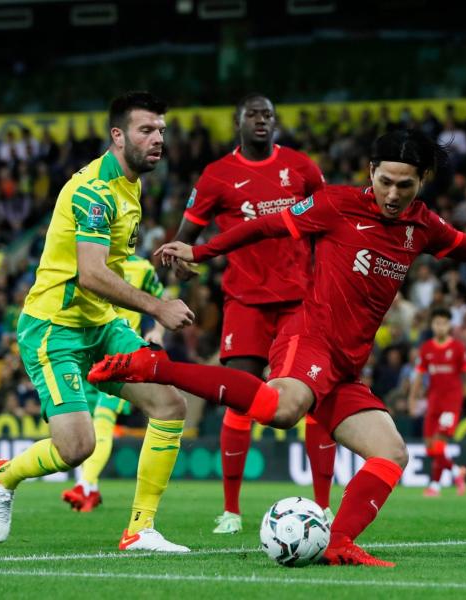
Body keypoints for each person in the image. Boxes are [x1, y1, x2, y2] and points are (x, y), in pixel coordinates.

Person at [88, 128, 466, 566]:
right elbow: (265, 225)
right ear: (371, 171)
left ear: (422, 182)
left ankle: (338, 542)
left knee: (391, 452)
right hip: (310, 338)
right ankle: (159, 366)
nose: (392, 193)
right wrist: (200, 249)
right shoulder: (336, 204)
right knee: (281, 410)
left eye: (404, 184)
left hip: (346, 365)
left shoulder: (422, 227)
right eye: (384, 180)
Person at [0, 91, 196, 553]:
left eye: (161, 130)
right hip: (53, 328)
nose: (158, 138)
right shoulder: (93, 191)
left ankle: (139, 529)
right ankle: (3, 476)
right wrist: (157, 307)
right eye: (146, 130)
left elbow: (111, 261)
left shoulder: (131, 185)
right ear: (117, 136)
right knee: (77, 447)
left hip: (100, 325)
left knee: (169, 405)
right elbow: (92, 273)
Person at [171, 93, 337, 532]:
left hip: (299, 301)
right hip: (244, 302)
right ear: (237, 123)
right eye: (253, 114)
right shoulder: (217, 176)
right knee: (240, 400)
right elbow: (185, 237)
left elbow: (330, 220)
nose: (261, 120)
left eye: (268, 114)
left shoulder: (302, 167)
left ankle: (323, 506)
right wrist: (181, 264)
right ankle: (231, 510)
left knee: (312, 398)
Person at [61, 254, 167, 512]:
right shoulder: (90, 262)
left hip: (124, 357)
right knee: (84, 421)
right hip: (89, 353)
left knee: (103, 417)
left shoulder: (142, 268)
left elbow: (163, 299)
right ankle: (92, 487)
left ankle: (84, 484)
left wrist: (158, 331)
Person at [408, 307, 466, 497]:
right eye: (437, 323)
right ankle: (457, 472)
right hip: (433, 403)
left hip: (451, 404)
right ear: (432, 325)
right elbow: (418, 376)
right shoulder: (426, 349)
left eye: (443, 323)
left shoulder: (457, 348)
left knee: (439, 443)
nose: (440, 327)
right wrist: (412, 399)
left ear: (449, 325)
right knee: (430, 447)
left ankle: (435, 486)